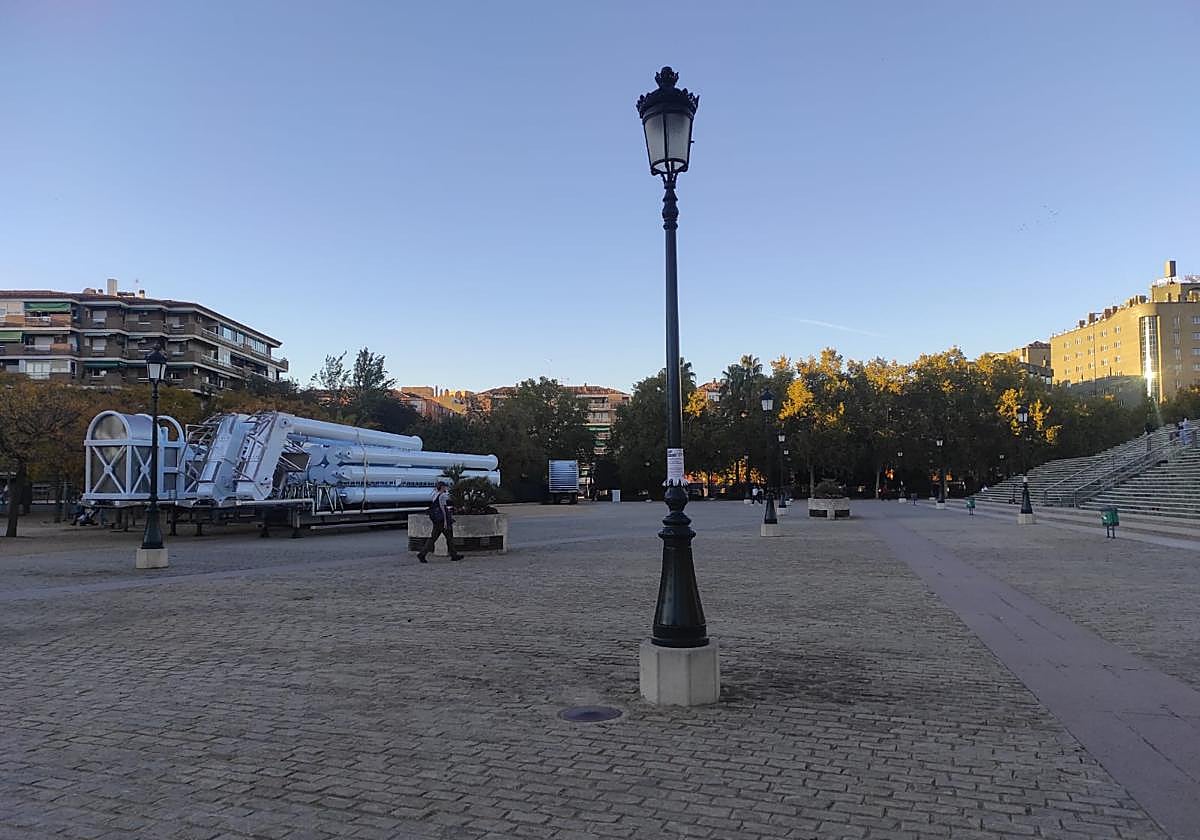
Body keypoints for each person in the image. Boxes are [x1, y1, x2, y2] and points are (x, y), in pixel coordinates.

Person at [417, 480, 463, 563]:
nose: (446, 488)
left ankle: (423, 553)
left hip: (437, 520)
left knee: (433, 538)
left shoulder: (435, 495)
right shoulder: (442, 496)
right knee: (449, 537)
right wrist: (446, 521)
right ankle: (453, 555)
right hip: (442, 520)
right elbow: (443, 509)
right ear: (442, 487)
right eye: (444, 486)